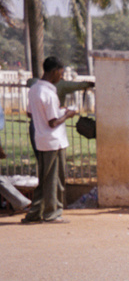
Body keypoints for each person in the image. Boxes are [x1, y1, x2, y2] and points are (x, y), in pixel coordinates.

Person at [21, 57, 79, 224]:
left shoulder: (34, 89)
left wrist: (58, 111)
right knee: (55, 179)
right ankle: (52, 212)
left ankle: (35, 212)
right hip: (54, 141)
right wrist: (68, 114)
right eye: (60, 73)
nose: (61, 77)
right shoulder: (49, 93)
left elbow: (31, 113)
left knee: (44, 179)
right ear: (54, 72)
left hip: (40, 139)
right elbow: (53, 122)